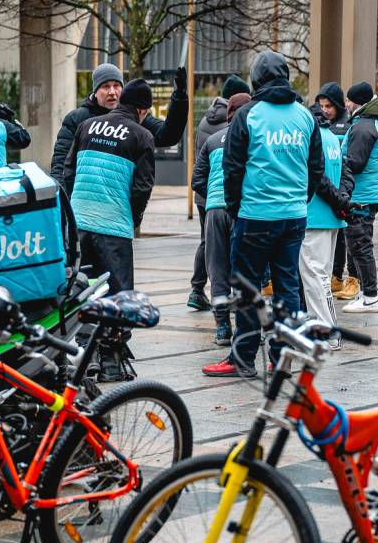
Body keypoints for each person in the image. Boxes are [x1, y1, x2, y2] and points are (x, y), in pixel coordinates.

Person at [202, 52, 323, 379]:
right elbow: (316, 169)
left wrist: (235, 208)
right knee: (287, 287)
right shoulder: (305, 117)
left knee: (247, 289)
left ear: (255, 81)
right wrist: (299, 200)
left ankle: (242, 358)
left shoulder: (247, 115)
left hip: (254, 215)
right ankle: (282, 357)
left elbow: (232, 168)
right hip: (293, 217)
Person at [62, 79, 156, 381]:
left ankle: (84, 357)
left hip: (80, 223)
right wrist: (133, 218)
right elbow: (142, 187)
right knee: (118, 295)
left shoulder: (87, 126)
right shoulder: (142, 135)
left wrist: (72, 213)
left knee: (82, 289)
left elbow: (68, 171)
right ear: (142, 110)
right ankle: (111, 362)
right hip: (113, 226)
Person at [51, 63, 188, 183]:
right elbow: (60, 164)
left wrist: (179, 98)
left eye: (116, 86)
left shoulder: (136, 118)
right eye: (105, 86)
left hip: (120, 200)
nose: (112, 92)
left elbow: (167, 136)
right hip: (84, 198)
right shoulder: (76, 119)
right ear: (95, 91)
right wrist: (63, 198)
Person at [191, 91, 252, 347]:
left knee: (217, 271)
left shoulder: (212, 140)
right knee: (245, 270)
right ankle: (246, 329)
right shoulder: (252, 136)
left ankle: (222, 328)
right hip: (242, 209)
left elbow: (197, 181)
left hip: (214, 210)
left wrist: (215, 197)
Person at [297, 102, 355, 345]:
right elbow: (345, 173)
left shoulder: (313, 138)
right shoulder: (332, 137)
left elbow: (317, 177)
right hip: (332, 218)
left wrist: (337, 200)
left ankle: (329, 334)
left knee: (315, 279)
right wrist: (342, 200)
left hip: (314, 216)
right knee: (321, 278)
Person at [340, 81, 378, 313]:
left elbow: (355, 163)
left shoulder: (364, 127)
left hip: (361, 195)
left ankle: (370, 297)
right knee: (361, 243)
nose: (346, 104)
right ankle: (364, 293)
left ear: (358, 102)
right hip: (372, 192)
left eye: (349, 100)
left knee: (359, 246)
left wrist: (336, 162)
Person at [312, 82, 358, 299]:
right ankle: (335, 276)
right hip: (329, 196)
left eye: (329, 106)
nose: (325, 110)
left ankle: (344, 276)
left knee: (346, 239)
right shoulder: (320, 128)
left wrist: (343, 195)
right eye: (321, 106)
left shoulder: (347, 126)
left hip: (340, 194)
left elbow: (347, 165)